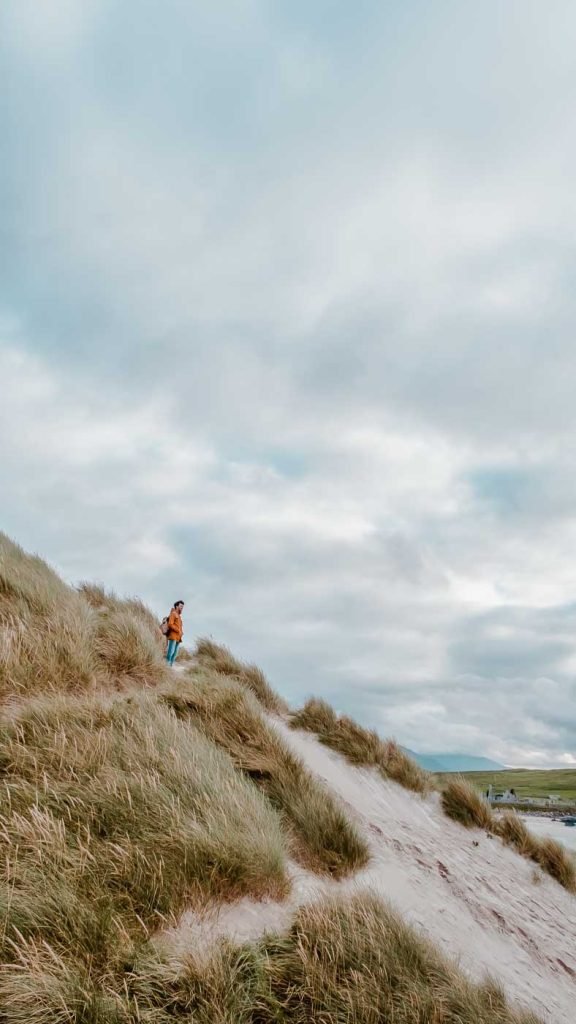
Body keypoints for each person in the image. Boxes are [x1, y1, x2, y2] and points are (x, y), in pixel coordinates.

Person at [165, 600, 184, 665]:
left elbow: (179, 626)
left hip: (178, 638)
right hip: (173, 636)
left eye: (182, 606)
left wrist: (181, 632)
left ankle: (170, 666)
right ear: (176, 606)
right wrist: (178, 630)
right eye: (181, 606)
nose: (182, 608)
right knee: (170, 652)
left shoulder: (179, 616)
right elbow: (170, 624)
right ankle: (167, 666)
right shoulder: (173, 613)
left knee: (175, 654)